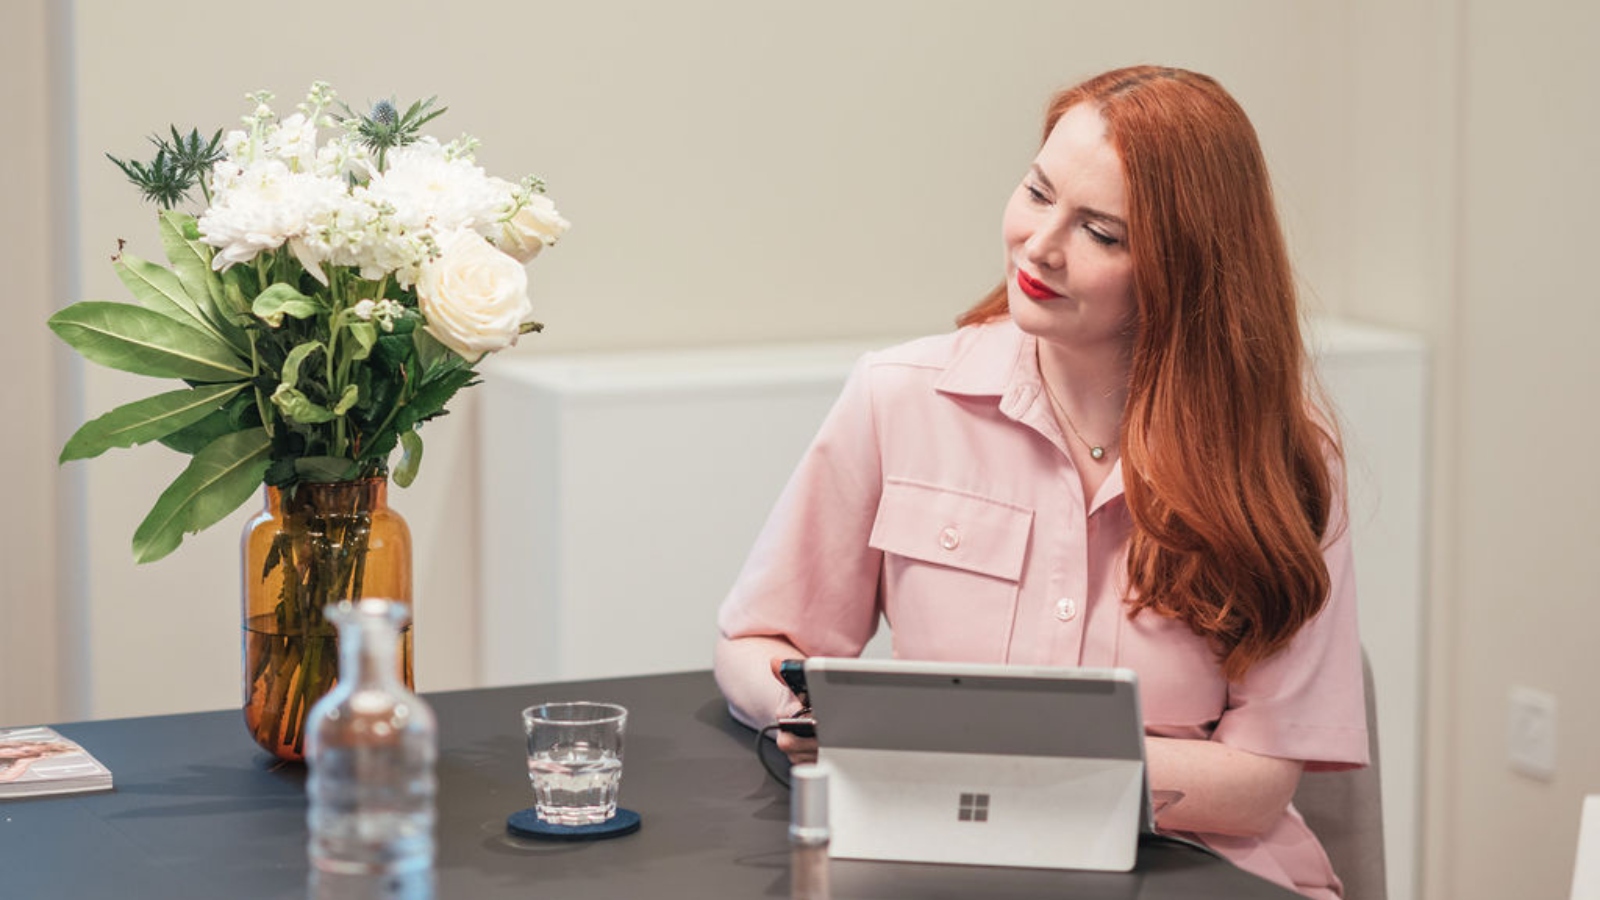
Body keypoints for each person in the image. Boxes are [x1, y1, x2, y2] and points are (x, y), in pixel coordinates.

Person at [712, 65, 1367, 900]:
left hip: (1199, 869)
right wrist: (816, 721)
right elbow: (755, 645)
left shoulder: (1284, 463)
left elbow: (1257, 785)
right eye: (1036, 192)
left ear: (1185, 270)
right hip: (941, 860)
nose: (1040, 244)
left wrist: (957, 745)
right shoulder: (898, 396)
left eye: (1101, 232)